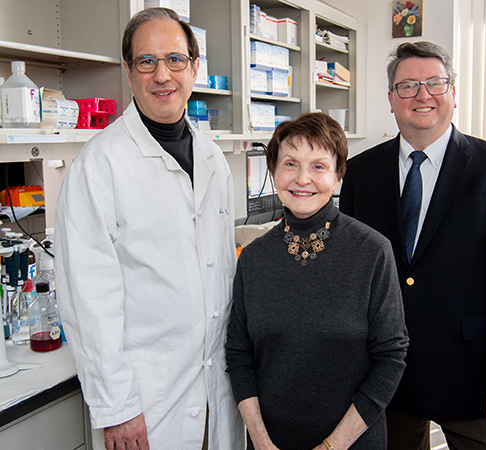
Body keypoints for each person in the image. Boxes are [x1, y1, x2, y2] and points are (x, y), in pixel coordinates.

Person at [339, 41, 486, 450]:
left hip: (473, 376)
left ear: (453, 92)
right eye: (409, 85)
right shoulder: (361, 172)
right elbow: (351, 276)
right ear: (391, 99)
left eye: (435, 83)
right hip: (385, 377)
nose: (422, 95)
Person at [55, 7, 243, 450]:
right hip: (146, 404)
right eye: (147, 61)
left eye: (175, 60)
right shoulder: (99, 166)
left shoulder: (214, 159)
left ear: (194, 68)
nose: (163, 74)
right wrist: (116, 408)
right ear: (128, 71)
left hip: (218, 392)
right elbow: (88, 301)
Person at [225, 112, 409, 450]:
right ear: (274, 173)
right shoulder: (254, 259)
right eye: (291, 164)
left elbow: (391, 357)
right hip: (270, 442)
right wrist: (262, 443)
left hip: (352, 442)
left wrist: (331, 446)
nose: (303, 178)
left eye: (319, 166)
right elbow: (238, 355)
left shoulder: (372, 252)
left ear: (338, 176)